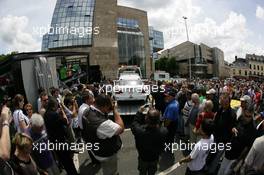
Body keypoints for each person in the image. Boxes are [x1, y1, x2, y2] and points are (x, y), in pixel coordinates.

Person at [82, 94, 124, 175]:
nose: (110, 108)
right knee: (111, 171)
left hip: (96, 147)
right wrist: (115, 110)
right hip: (107, 154)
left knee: (106, 168)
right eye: (109, 107)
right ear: (104, 106)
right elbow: (121, 128)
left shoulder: (87, 110)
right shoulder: (103, 124)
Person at [217, 105, 257, 175]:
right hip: (228, 151)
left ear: (252, 114)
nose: (246, 118)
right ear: (243, 112)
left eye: (249, 116)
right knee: (221, 170)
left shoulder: (253, 129)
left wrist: (238, 160)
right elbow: (235, 125)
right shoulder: (241, 118)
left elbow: (247, 147)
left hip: (236, 157)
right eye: (245, 115)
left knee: (226, 173)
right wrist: (233, 128)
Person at [44, 97, 79, 175]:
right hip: (61, 140)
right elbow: (66, 122)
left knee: (63, 160)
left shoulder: (46, 114)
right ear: (54, 105)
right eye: (57, 105)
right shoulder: (54, 114)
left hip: (54, 142)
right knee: (68, 160)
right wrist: (62, 112)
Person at [131, 107, 168, 175]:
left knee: (142, 172)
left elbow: (135, 123)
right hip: (154, 158)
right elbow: (159, 126)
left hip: (143, 158)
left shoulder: (139, 131)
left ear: (146, 118)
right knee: (152, 172)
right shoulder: (163, 131)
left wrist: (139, 112)